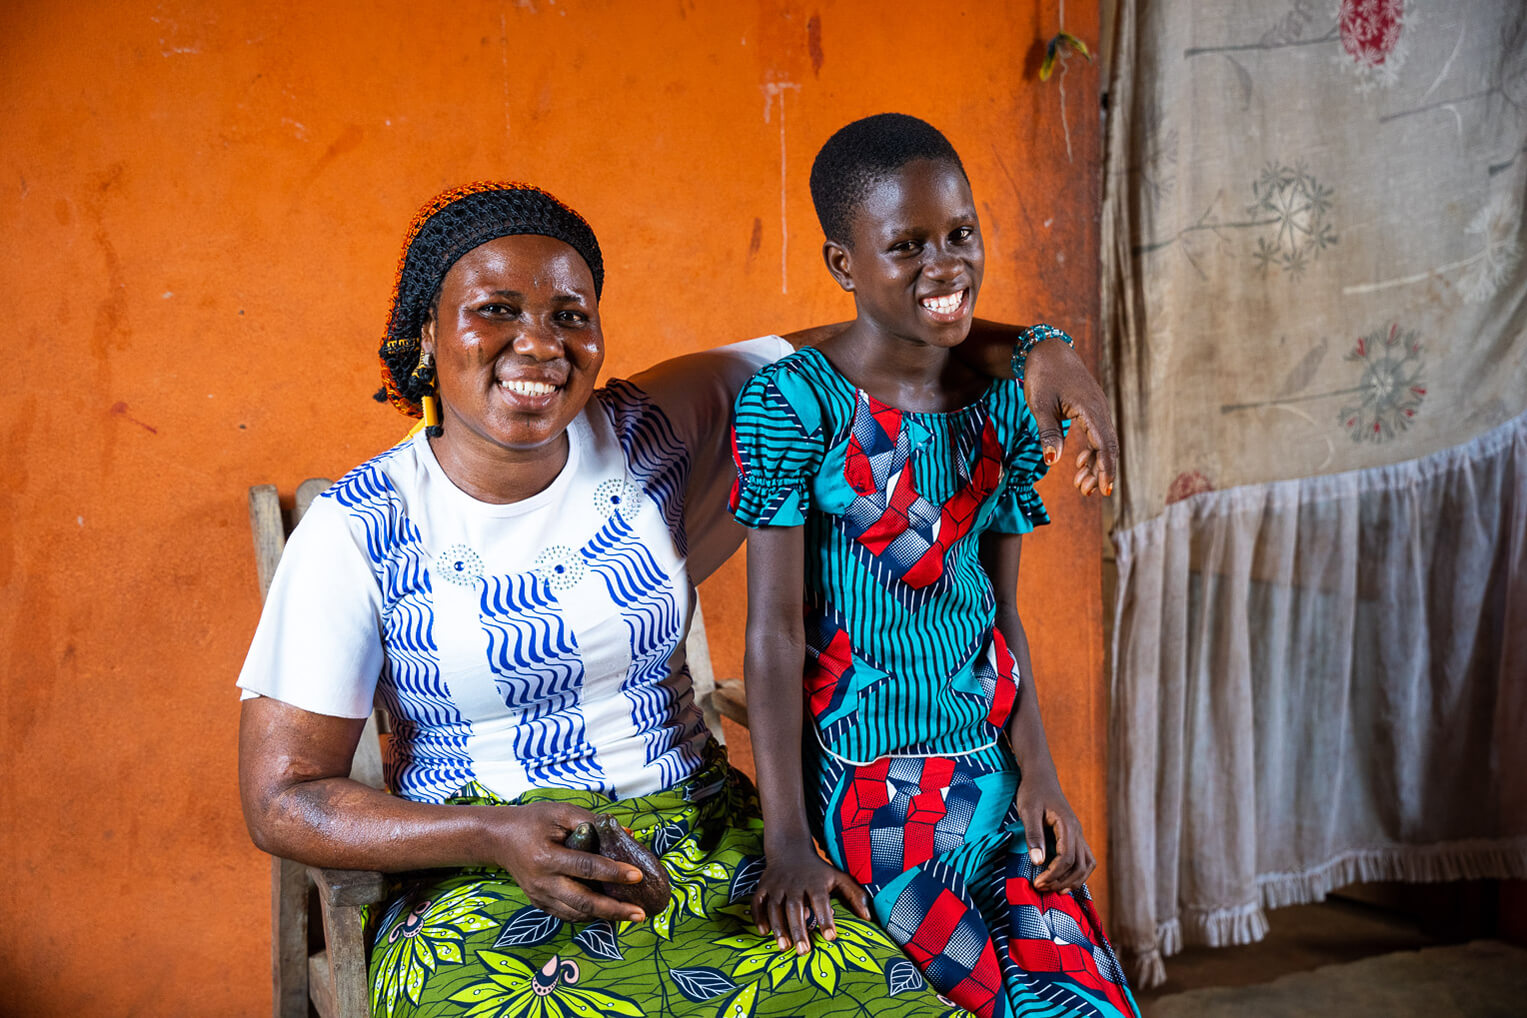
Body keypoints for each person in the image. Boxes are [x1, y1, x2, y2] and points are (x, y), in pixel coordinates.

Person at [237, 179, 1118, 1018]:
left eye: (569, 315)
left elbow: (875, 331)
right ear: (426, 336)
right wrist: (487, 836)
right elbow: (282, 798)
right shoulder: (358, 529)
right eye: (496, 311)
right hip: (477, 881)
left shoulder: (649, 425)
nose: (540, 344)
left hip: (706, 841)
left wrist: (1042, 349)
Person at [727, 115, 1139, 1018]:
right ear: (844, 265)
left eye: (959, 235)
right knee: (973, 1000)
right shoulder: (794, 405)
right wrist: (786, 838)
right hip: (874, 797)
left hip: (996, 779)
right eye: (905, 245)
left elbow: (1000, 616)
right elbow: (774, 631)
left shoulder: (1001, 407)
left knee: (1084, 1000)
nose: (944, 265)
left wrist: (1042, 774)